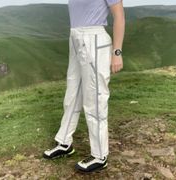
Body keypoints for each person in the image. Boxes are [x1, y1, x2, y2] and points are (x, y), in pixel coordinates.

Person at [43, 0, 125, 173]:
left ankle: (99, 155)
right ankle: (64, 143)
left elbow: (119, 16)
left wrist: (117, 52)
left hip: (95, 39)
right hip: (75, 37)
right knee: (72, 93)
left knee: (95, 98)